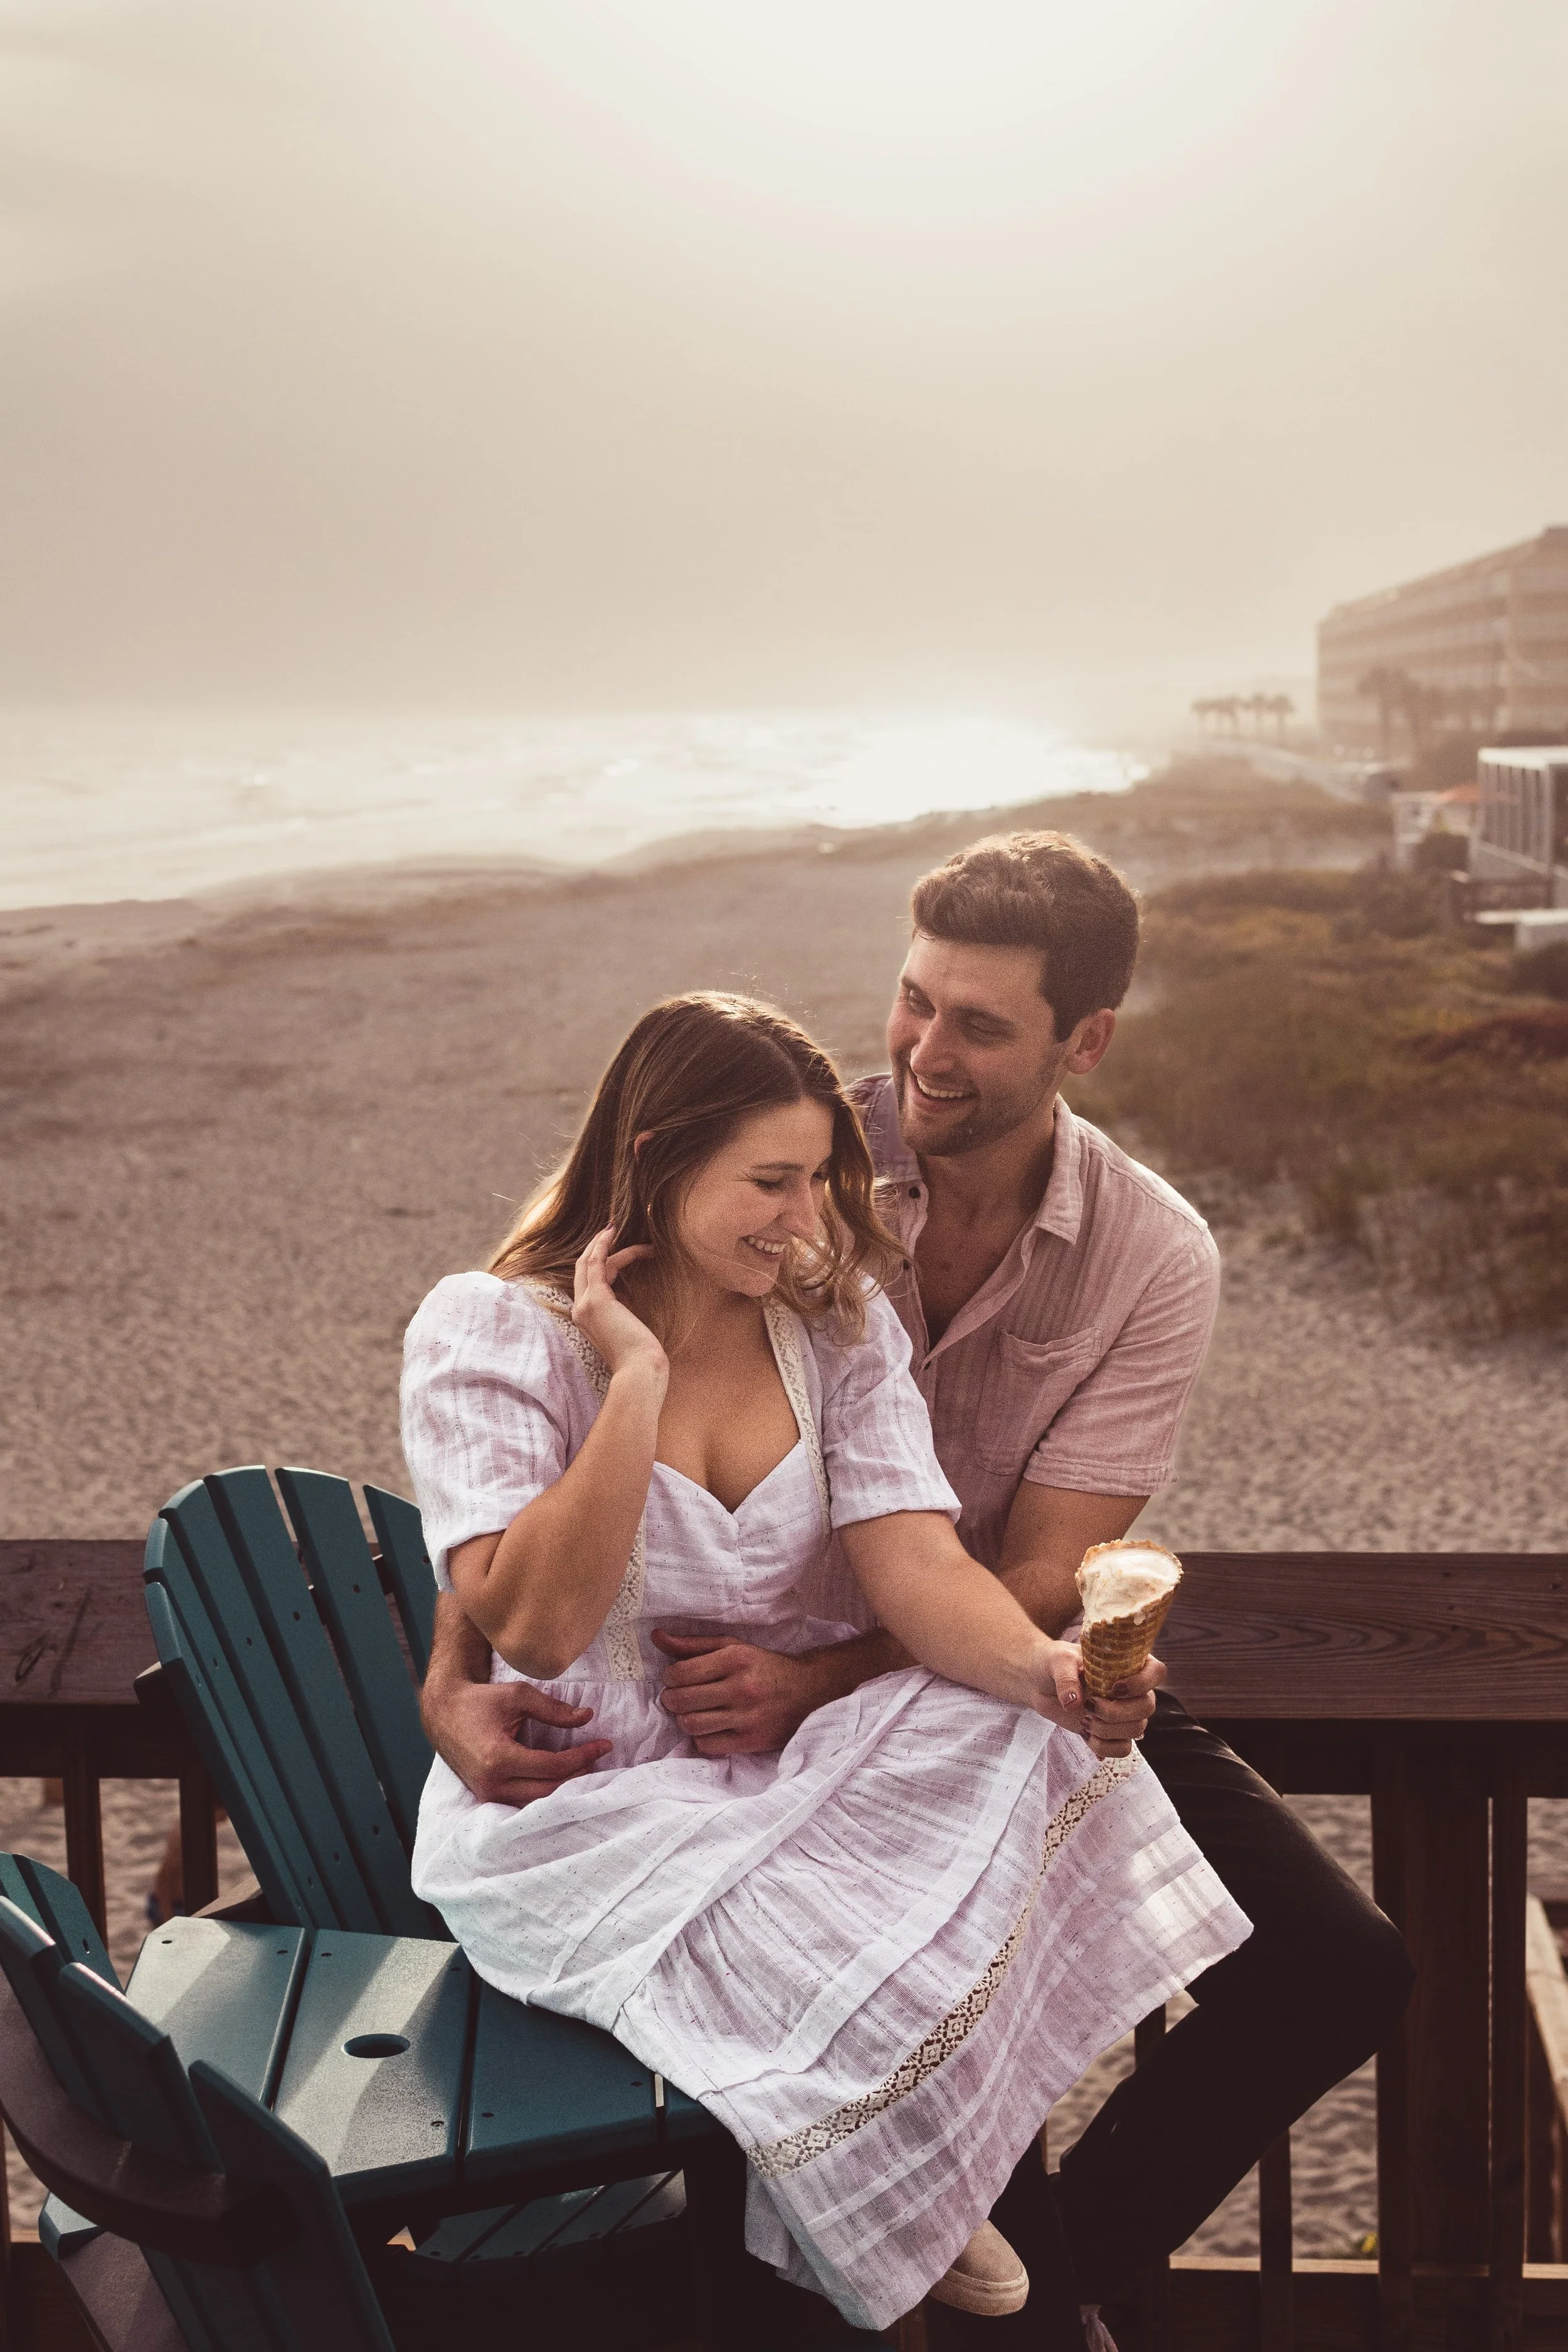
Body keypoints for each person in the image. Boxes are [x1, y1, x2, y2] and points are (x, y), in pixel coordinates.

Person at [418, 831, 1414, 2344]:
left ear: (1082, 1042)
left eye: (978, 1026)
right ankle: (975, 2272)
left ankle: (1016, 2264)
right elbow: (518, 1541)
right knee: (891, 1931)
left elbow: (995, 1571)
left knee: (1318, 1954)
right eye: (912, 1004)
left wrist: (1017, 1678)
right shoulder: (801, 1141)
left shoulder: (1133, 1257)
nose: (924, 1055)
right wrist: (451, 1663)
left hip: (918, 1662)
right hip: (664, 1733)